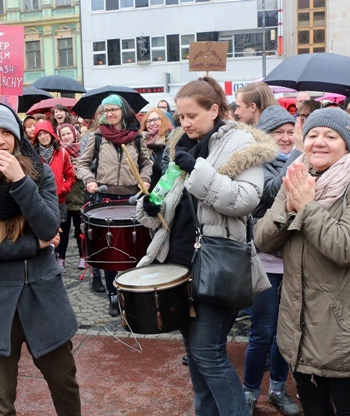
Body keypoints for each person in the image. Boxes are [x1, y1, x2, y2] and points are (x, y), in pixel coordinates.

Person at [136, 77, 276, 415]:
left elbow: (245, 200)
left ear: (214, 110)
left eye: (192, 116)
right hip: (178, 265)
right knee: (196, 359)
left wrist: (197, 170)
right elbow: (167, 203)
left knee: (209, 355)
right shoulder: (181, 146)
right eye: (181, 116)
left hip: (217, 265)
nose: (184, 123)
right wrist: (151, 206)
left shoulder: (242, 144)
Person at [254, 108, 350, 416]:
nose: (319, 142)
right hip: (299, 323)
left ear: (347, 144)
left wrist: (306, 207)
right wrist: (289, 208)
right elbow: (263, 239)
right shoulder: (297, 180)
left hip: (347, 326)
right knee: (314, 408)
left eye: (331, 136)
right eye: (313, 134)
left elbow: (346, 247)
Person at [0, 102, 80, 415]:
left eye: (6, 133)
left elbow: (50, 226)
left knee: (64, 383)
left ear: (16, 136)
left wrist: (20, 182)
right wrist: (34, 245)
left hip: (43, 295)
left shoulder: (39, 175)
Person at [243, 105, 300, 416]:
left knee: (285, 333)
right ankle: (250, 390)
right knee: (262, 332)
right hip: (264, 261)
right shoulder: (256, 162)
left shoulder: (298, 159)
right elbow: (269, 191)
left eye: (291, 132)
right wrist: (297, 163)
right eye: (280, 132)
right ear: (266, 135)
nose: (287, 138)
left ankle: (278, 388)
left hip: (292, 260)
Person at [76, 94, 152, 317]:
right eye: (106, 110)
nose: (109, 114)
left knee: (135, 250)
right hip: (105, 200)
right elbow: (82, 164)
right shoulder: (97, 136)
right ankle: (112, 295)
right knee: (110, 252)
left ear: (122, 111)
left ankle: (131, 293)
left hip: (132, 200)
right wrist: (89, 180)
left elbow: (146, 164)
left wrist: (146, 179)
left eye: (113, 110)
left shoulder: (136, 137)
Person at [31, 120, 76, 269]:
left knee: (60, 230)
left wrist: (63, 189)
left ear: (51, 134)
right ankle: (46, 260)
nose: (43, 137)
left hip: (59, 200)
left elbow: (71, 176)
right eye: (40, 134)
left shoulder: (62, 152)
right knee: (43, 230)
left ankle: (60, 258)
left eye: (46, 133)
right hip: (39, 201)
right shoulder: (33, 155)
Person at [56, 123, 89, 273]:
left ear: (74, 134)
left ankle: (83, 257)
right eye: (63, 135)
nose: (66, 137)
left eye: (69, 133)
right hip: (63, 197)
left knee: (80, 230)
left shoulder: (83, 150)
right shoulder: (59, 152)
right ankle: (61, 258)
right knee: (63, 230)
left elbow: (89, 169)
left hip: (80, 197)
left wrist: (78, 169)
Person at [140, 108, 173, 187]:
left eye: (155, 120)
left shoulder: (171, 139)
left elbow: (172, 169)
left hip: (164, 188)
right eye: (148, 121)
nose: (151, 123)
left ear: (163, 120)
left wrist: (153, 164)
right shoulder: (141, 140)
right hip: (144, 188)